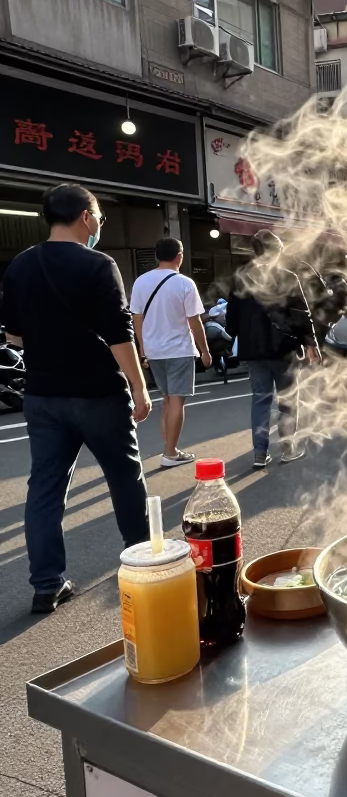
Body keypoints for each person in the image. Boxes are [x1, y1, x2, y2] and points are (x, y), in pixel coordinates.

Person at [0, 183, 151, 613]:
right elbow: (119, 334)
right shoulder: (99, 264)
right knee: (123, 477)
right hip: (97, 393)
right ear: (86, 216)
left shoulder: (20, 266)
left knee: (45, 488)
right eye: (99, 217)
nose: (100, 224)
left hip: (44, 395)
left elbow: (13, 334)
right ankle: (140, 560)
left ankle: (47, 585)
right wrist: (140, 388)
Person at [226, 231, 321, 469]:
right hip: (284, 349)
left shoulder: (240, 279)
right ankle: (288, 449)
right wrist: (311, 344)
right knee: (288, 400)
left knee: (260, 400)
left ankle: (260, 454)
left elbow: (231, 322)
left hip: (253, 351)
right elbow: (301, 315)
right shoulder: (287, 276)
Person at [130, 238, 212, 467]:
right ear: (179, 256)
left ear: (157, 256)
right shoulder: (185, 283)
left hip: (154, 351)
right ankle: (170, 453)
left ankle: (170, 446)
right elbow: (194, 321)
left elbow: (137, 318)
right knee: (176, 401)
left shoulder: (141, 282)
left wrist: (142, 348)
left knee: (167, 400)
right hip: (179, 349)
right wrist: (205, 351)